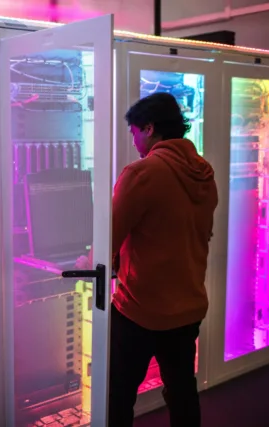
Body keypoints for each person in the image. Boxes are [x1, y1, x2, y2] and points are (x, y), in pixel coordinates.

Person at [77, 92, 218, 427]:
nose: (135, 140)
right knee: (182, 389)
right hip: (189, 305)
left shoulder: (142, 172)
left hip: (142, 309)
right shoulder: (204, 172)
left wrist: (89, 261)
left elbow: (109, 236)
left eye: (136, 132)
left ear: (150, 128)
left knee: (119, 393)